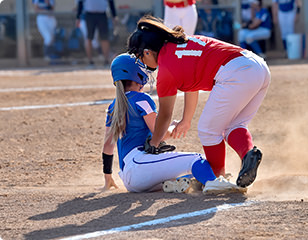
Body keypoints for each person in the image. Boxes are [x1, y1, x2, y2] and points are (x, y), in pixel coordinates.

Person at [127, 15, 271, 188]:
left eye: (139, 57)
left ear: (147, 52)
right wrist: (186, 121)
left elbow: (165, 115)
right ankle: (248, 154)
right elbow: (191, 84)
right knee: (235, 125)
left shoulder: (166, 69)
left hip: (237, 73)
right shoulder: (179, 43)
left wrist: (153, 144)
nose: (141, 62)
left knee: (208, 130)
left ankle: (216, 180)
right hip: (259, 67)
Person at [100, 53, 244, 194]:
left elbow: (108, 146)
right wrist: (174, 127)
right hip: (139, 165)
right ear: (137, 74)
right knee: (197, 159)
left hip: (130, 178)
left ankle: (178, 184)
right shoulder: (141, 98)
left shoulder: (114, 106)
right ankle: (214, 183)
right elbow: (159, 134)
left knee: (181, 173)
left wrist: (108, 178)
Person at [76, 0, 117, 67]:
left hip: (102, 14)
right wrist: (78, 17)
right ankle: (90, 62)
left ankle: (106, 61)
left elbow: (111, 2)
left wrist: (114, 15)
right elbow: (81, 2)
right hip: (89, 15)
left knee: (104, 38)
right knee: (89, 38)